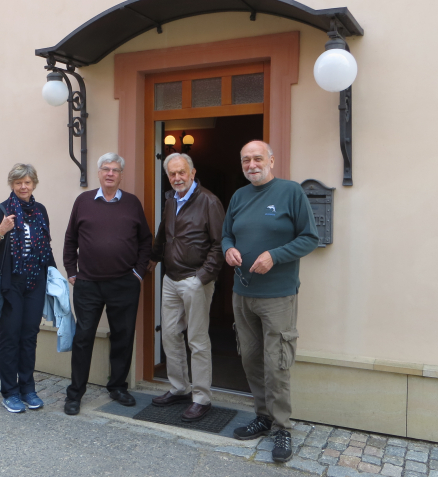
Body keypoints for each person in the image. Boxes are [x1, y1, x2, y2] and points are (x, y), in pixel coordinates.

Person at [222, 140, 319, 463]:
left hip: (277, 296)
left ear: (271, 161)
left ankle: (282, 428)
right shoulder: (239, 196)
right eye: (245, 160)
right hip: (242, 294)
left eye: (257, 158)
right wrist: (228, 249)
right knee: (251, 359)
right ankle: (262, 417)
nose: (251, 164)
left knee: (276, 364)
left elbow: (309, 238)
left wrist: (274, 256)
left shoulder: (291, 192)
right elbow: (226, 234)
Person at [63, 153, 152, 415]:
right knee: (83, 338)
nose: (110, 173)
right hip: (88, 284)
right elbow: (70, 239)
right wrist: (71, 270)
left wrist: (138, 274)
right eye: (105, 169)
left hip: (124, 283)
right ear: (99, 173)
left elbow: (145, 240)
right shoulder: (83, 201)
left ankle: (117, 387)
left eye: (115, 170)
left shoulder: (132, 203)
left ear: (121, 175)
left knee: (123, 336)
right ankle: (75, 393)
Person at [147, 153, 224, 422]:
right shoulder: (171, 199)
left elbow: (220, 244)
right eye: (172, 174)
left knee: (197, 340)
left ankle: (201, 398)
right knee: (169, 334)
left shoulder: (209, 201)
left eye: (182, 172)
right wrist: (154, 257)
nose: (177, 178)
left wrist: (202, 277)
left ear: (192, 173)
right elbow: (164, 232)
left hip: (195, 280)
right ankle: (180, 388)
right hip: (171, 278)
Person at [0, 163, 56, 413]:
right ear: (12, 184)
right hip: (10, 285)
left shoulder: (40, 211)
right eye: (19, 182)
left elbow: (46, 247)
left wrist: (54, 277)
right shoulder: (0, 211)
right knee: (10, 337)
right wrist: (0, 232)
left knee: (29, 337)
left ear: (34, 184)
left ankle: (28, 389)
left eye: (28, 182)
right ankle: (10, 392)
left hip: (35, 283)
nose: (23, 187)